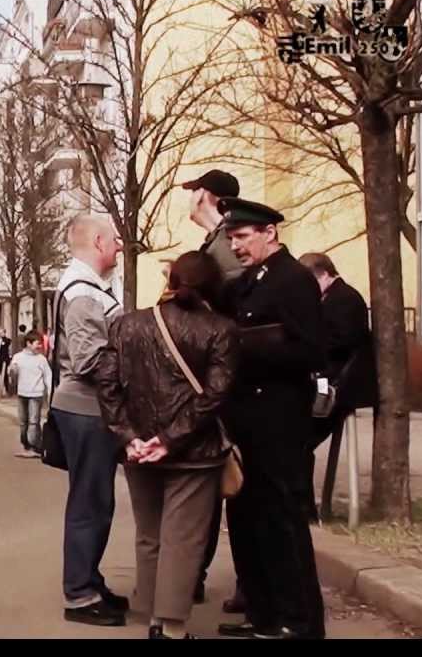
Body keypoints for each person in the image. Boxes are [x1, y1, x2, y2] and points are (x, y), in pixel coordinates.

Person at [98, 251, 240, 640]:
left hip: (138, 451)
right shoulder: (221, 330)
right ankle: (172, 628)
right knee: (184, 538)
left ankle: (151, 615)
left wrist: (130, 437)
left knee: (149, 533)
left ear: (171, 279)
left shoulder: (126, 325)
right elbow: (214, 394)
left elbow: (107, 386)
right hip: (194, 453)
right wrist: (170, 439)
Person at [215, 198, 328, 640]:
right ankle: (262, 614)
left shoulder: (293, 280)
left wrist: (250, 348)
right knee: (246, 522)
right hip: (246, 421)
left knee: (282, 522)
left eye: (242, 237)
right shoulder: (246, 283)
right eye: (231, 239)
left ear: (269, 233)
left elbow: (311, 350)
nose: (237, 246)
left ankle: (298, 621)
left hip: (279, 421)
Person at [50, 214, 127, 627]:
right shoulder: (83, 294)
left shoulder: (90, 288)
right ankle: (80, 594)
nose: (119, 245)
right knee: (90, 503)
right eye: (114, 239)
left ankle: (89, 582)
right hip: (86, 409)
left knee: (98, 501)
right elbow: (88, 359)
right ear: (98, 241)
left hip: (89, 409)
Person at [182, 169, 245, 607]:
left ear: (211, 197)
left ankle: (249, 585)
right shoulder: (216, 241)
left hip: (236, 386)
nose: (190, 201)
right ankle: (193, 576)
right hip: (215, 381)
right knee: (205, 492)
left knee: (238, 489)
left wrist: (215, 227)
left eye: (195, 193)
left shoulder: (234, 239)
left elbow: (239, 292)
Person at [298, 252, 376, 522]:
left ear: (323, 274)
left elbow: (339, 344)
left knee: (299, 442)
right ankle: (302, 508)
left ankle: (305, 511)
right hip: (328, 383)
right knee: (296, 441)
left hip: (341, 389)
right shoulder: (332, 298)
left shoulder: (345, 300)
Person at [9, 331, 52, 458]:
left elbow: (48, 377)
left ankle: (34, 447)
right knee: (23, 422)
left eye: (40, 344)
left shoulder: (41, 359)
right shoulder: (18, 357)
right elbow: (12, 374)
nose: (39, 346)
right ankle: (26, 445)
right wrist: (12, 371)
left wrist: (50, 393)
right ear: (28, 343)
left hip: (36, 393)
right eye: (37, 344)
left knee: (34, 421)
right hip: (22, 393)